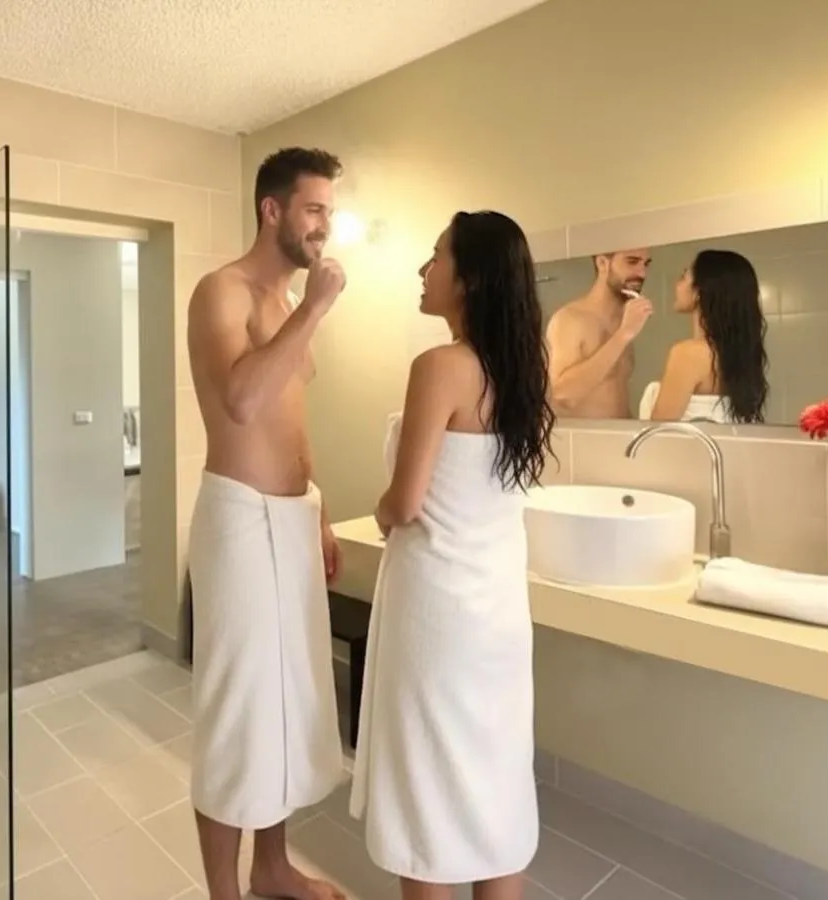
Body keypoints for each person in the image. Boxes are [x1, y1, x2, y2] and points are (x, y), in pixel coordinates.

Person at [350, 210, 556, 900]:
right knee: (492, 781)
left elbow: (403, 503)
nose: (422, 268)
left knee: (428, 793)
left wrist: (380, 514)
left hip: (437, 612)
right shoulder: (521, 374)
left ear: (467, 277)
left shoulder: (440, 366)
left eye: (435, 255)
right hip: (496, 612)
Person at [184, 146, 349, 900]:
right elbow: (242, 404)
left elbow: (291, 415)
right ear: (272, 209)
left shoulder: (283, 307)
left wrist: (316, 512)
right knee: (238, 710)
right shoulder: (223, 290)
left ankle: (272, 869)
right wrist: (316, 307)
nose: (324, 225)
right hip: (240, 522)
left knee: (287, 701)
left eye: (329, 212)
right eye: (313, 209)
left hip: (291, 520)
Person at [639, 248, 769, 424]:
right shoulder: (740, 355)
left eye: (684, 276)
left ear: (699, 292)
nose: (677, 285)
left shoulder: (689, 353)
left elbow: (659, 431)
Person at [544, 248, 655, 418]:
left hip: (617, 440)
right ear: (602, 263)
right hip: (581, 442)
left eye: (646, 264)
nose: (642, 273)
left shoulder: (624, 321)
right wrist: (623, 334)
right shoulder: (570, 319)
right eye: (632, 262)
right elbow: (562, 396)